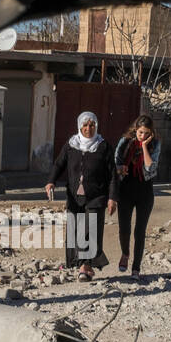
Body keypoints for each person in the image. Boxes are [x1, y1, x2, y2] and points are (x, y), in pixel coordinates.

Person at [46, 111, 116, 281]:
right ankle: (83, 264)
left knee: (89, 230)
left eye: (92, 125)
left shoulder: (103, 146)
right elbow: (59, 164)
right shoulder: (71, 145)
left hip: (96, 195)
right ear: (79, 126)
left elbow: (113, 174)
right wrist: (51, 181)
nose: (88, 129)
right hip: (74, 196)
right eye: (85, 125)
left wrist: (112, 198)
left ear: (96, 126)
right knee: (75, 230)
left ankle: (85, 266)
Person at [113, 115, 161, 280]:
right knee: (124, 229)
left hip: (145, 193)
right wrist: (120, 169)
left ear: (151, 133)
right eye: (141, 133)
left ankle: (136, 268)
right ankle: (125, 254)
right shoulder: (125, 142)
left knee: (139, 231)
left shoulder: (155, 145)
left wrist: (145, 146)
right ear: (135, 130)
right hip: (125, 190)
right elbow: (115, 163)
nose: (143, 136)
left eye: (147, 133)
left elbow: (150, 167)